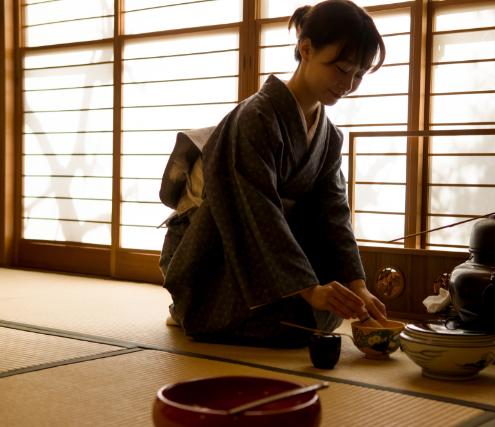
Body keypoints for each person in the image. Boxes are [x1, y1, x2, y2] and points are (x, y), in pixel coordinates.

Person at [160, 0, 387, 348]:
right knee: (283, 321)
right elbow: (256, 209)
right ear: (306, 49)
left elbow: (334, 213)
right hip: (218, 244)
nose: (348, 84)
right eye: (341, 69)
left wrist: (357, 285)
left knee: (321, 313)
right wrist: (309, 288)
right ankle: (187, 306)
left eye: (358, 75)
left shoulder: (329, 136)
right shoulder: (257, 117)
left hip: (274, 247)